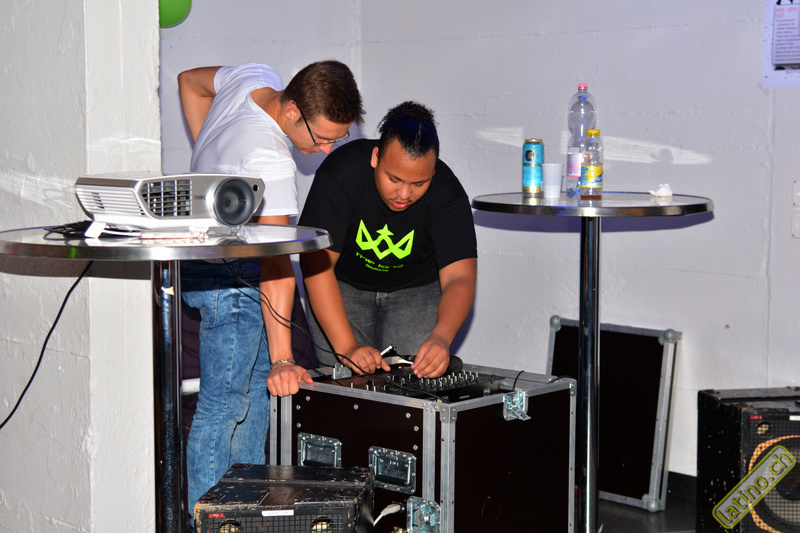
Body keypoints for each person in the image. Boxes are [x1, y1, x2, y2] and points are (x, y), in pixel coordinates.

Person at [177, 61, 364, 514]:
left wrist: (211, 166)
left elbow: (189, 82)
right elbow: (277, 261)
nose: (325, 149)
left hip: (205, 264)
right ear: (293, 111)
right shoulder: (271, 158)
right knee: (223, 406)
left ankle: (243, 513)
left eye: (337, 139)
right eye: (322, 137)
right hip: (235, 279)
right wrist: (283, 358)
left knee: (255, 398)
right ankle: (209, 520)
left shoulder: (254, 77)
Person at [299, 101, 477, 379]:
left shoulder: (447, 193)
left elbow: (460, 278)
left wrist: (441, 337)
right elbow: (315, 266)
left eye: (419, 184)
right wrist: (347, 347)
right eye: (394, 179)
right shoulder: (341, 173)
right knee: (344, 386)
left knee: (410, 390)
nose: (404, 194)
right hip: (341, 287)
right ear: (375, 158)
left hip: (416, 292)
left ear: (432, 172)